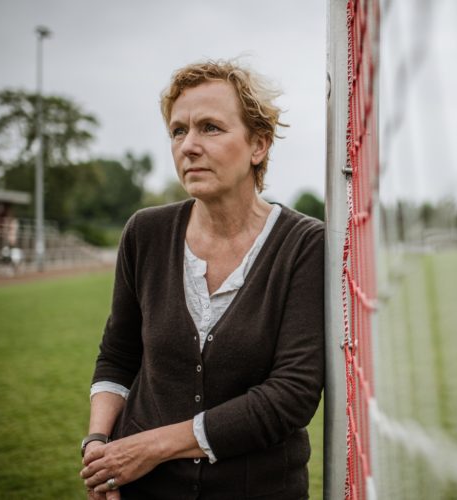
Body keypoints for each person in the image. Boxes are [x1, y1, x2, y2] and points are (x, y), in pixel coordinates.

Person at [79, 60, 325, 499]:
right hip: (142, 488)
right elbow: (117, 357)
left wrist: (151, 447)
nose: (188, 146)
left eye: (210, 128)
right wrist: (100, 448)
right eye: (178, 131)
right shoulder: (144, 233)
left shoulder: (305, 244)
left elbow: (292, 394)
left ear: (258, 145)